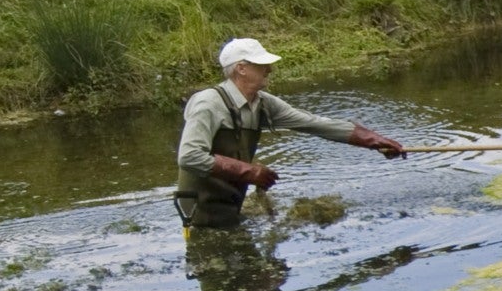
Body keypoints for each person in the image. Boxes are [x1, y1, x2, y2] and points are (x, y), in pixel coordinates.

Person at [174, 37, 407, 229]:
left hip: (229, 207)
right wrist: (249, 171)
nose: (270, 69)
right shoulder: (208, 104)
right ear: (241, 69)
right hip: (197, 213)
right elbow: (190, 156)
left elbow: (313, 123)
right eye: (261, 65)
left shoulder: (263, 103)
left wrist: (374, 140)